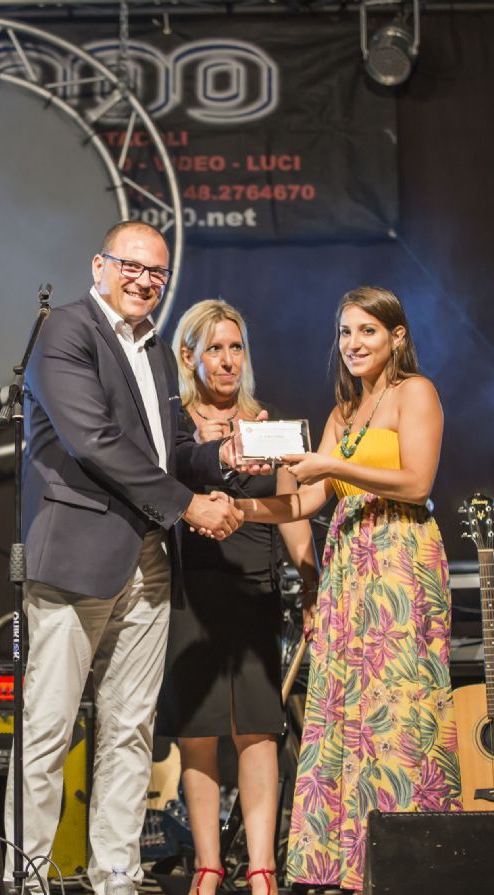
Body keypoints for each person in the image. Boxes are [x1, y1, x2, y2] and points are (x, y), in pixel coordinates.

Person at [3, 222, 250, 895]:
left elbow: (167, 447)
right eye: (132, 266)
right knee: (49, 728)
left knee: (130, 727)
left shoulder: (158, 351)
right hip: (78, 555)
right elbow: (95, 442)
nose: (145, 280)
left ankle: (114, 873)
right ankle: (25, 875)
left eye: (157, 272)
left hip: (149, 559)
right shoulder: (66, 331)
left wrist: (218, 458)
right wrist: (190, 505)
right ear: (100, 265)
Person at [233, 287, 462, 892]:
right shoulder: (343, 412)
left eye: (367, 331)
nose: (354, 344)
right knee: (345, 706)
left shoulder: (416, 393)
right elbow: (306, 500)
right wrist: (237, 506)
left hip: (400, 559)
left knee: (399, 707)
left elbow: (415, 481)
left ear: (397, 337)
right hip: (349, 567)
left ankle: (412, 856)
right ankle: (349, 863)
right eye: (344, 333)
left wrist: (330, 466)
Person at [157, 300, 320, 895]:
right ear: (188, 355)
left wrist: (310, 580)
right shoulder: (169, 424)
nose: (227, 361)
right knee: (196, 733)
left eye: (236, 348)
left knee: (258, 730)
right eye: (215, 348)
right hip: (186, 594)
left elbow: (293, 512)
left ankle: (260, 869)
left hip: (254, 590)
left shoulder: (268, 423)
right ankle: (206, 864)